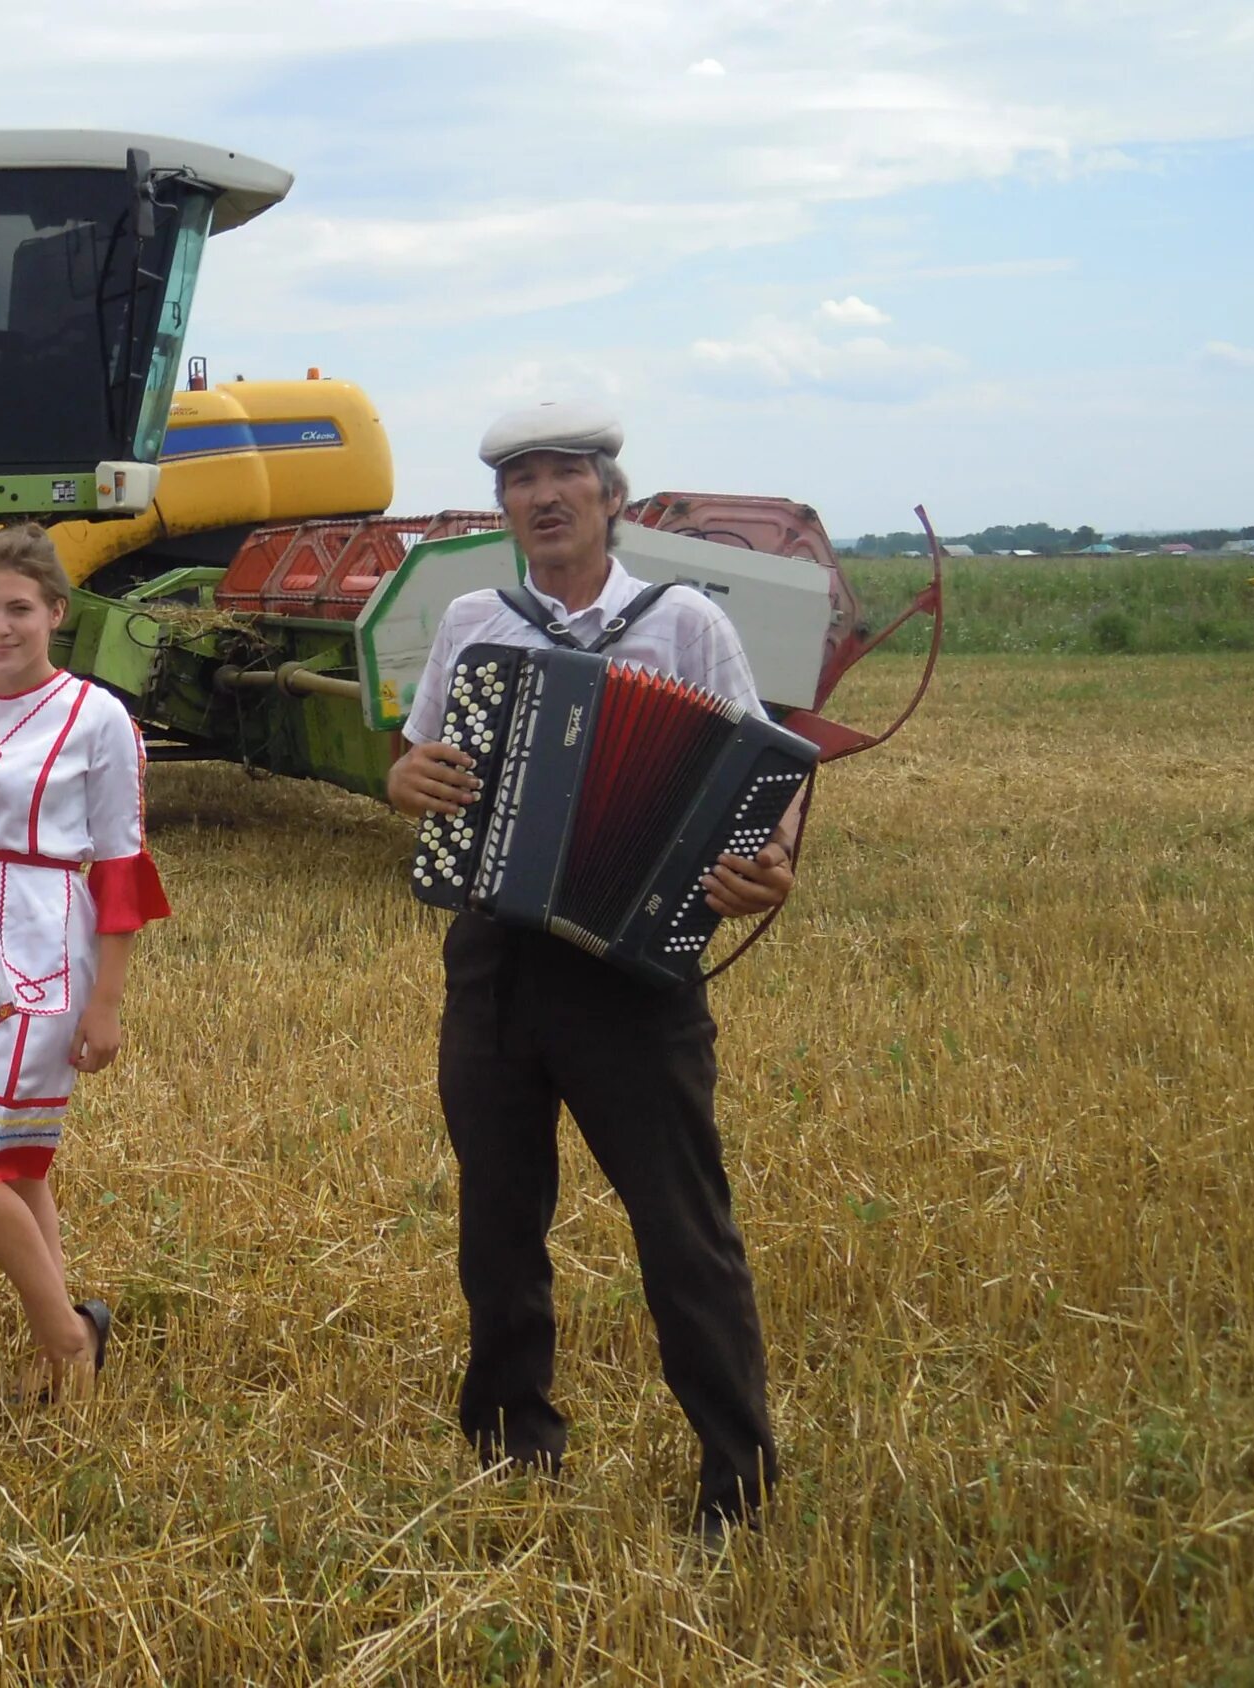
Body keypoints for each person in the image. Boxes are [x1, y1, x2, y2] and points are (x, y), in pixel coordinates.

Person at [383, 401, 798, 1538]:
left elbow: (765, 774)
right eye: (522, 479)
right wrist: (403, 783)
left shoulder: (684, 628)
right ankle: (510, 1435)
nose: (545, 495)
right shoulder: (476, 617)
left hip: (635, 972)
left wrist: (769, 862)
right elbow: (417, 760)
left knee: (682, 1225)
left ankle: (736, 1474)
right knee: (498, 1215)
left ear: (613, 497)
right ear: (502, 506)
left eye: (568, 474)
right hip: (497, 961)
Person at [0, 525, 168, 1402]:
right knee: (12, 1163)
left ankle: (68, 1339)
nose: (1, 626)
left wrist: (107, 1002)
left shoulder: (100, 717)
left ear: (56, 611)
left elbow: (123, 864)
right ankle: (64, 1339)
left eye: (20, 608)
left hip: (45, 946)